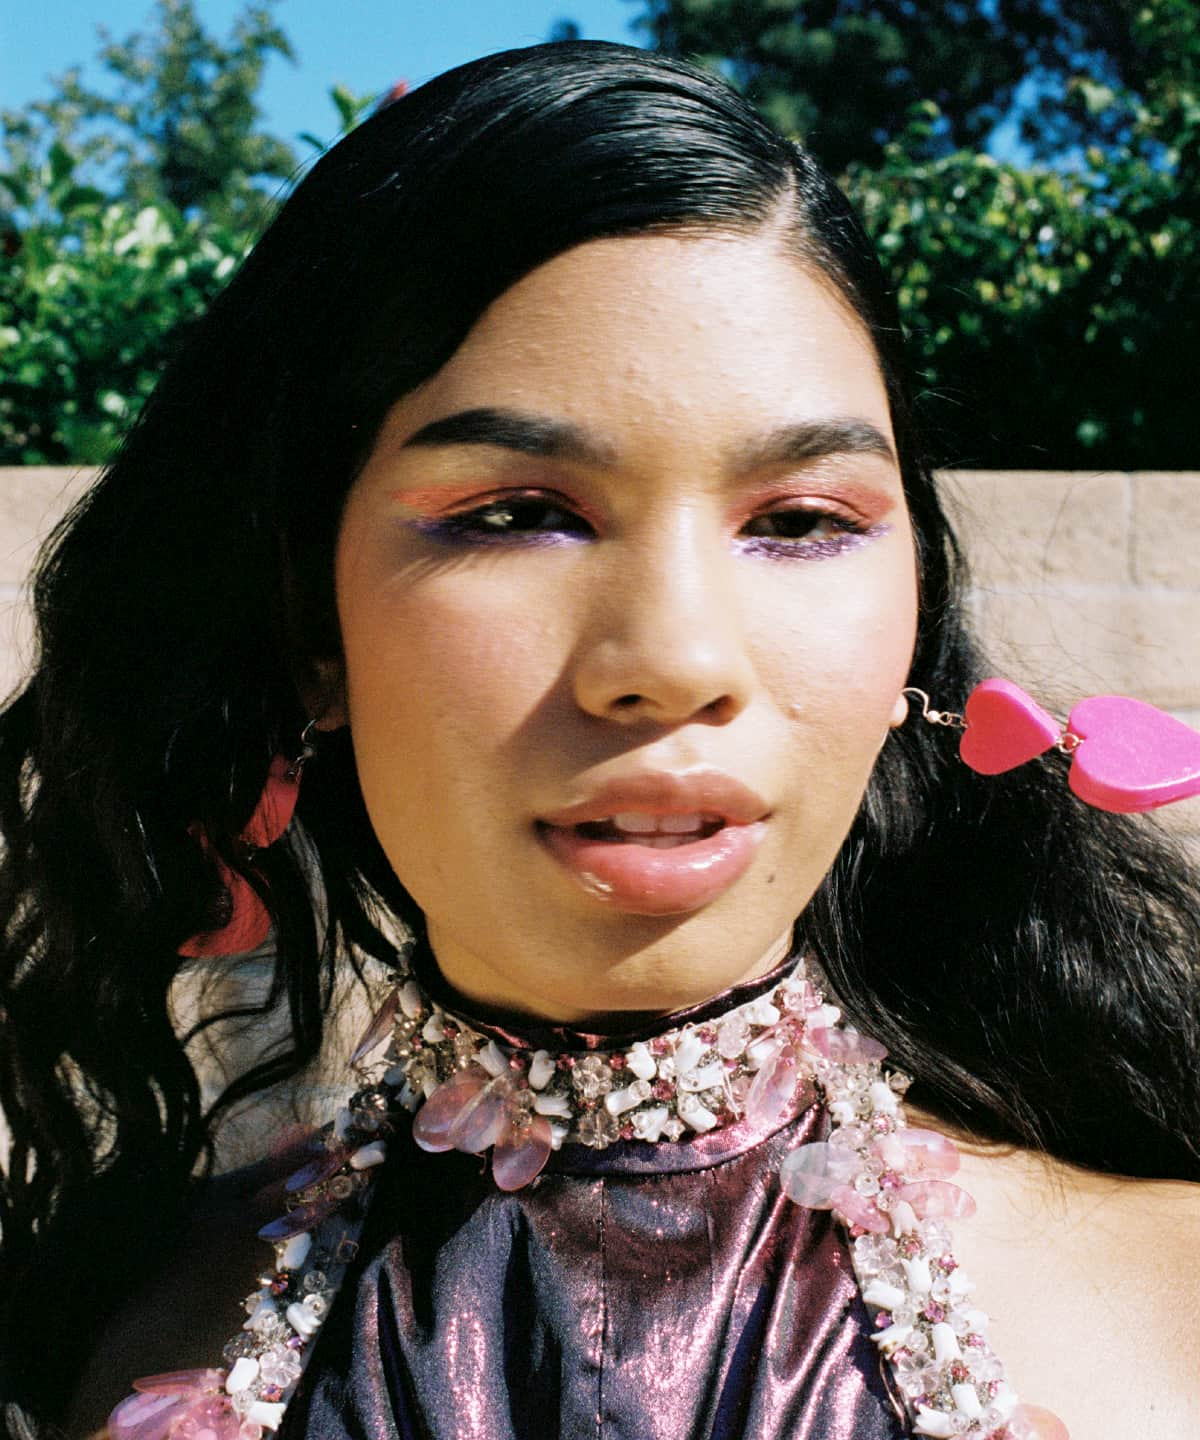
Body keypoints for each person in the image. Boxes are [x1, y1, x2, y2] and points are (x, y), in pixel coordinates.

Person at [0, 40, 1197, 1440]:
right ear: (307, 624)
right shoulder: (90, 1335)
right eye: (516, 513)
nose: (676, 663)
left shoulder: (1174, 1301)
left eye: (803, 521)